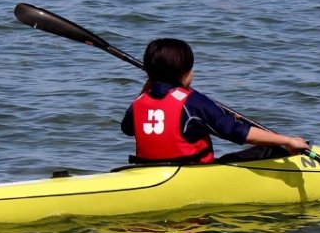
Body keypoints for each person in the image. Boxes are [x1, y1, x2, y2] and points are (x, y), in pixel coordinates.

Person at [121, 38, 310, 164]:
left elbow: (127, 128)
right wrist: (287, 140)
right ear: (185, 73)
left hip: (148, 170)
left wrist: (151, 82)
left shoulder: (139, 102)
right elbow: (236, 132)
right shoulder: (193, 102)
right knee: (271, 150)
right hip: (192, 173)